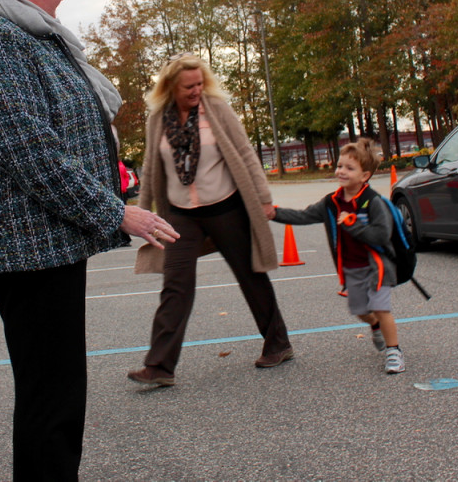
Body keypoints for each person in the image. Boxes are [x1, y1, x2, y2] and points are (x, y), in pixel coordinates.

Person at [0, 0, 178, 480]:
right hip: (26, 244)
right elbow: (32, 151)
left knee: (55, 390)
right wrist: (116, 211)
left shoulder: (22, 33)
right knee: (53, 397)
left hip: (43, 238)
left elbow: (56, 134)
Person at [127, 53, 293, 387]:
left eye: (200, 83)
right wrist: (146, 215)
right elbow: (150, 163)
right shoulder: (158, 117)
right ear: (172, 86)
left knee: (250, 275)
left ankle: (278, 343)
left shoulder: (216, 109)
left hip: (225, 206)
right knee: (175, 286)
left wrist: (263, 199)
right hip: (180, 214)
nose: (196, 90)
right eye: (189, 86)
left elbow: (245, 151)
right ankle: (160, 367)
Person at [272, 138, 406, 374]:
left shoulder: (373, 202)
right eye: (340, 165)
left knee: (382, 308)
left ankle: (394, 351)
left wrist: (352, 225)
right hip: (352, 268)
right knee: (360, 310)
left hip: (377, 267)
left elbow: (382, 235)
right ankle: (374, 325)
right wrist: (273, 213)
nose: (342, 171)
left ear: (364, 176)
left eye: (349, 168)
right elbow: (304, 216)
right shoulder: (332, 203)